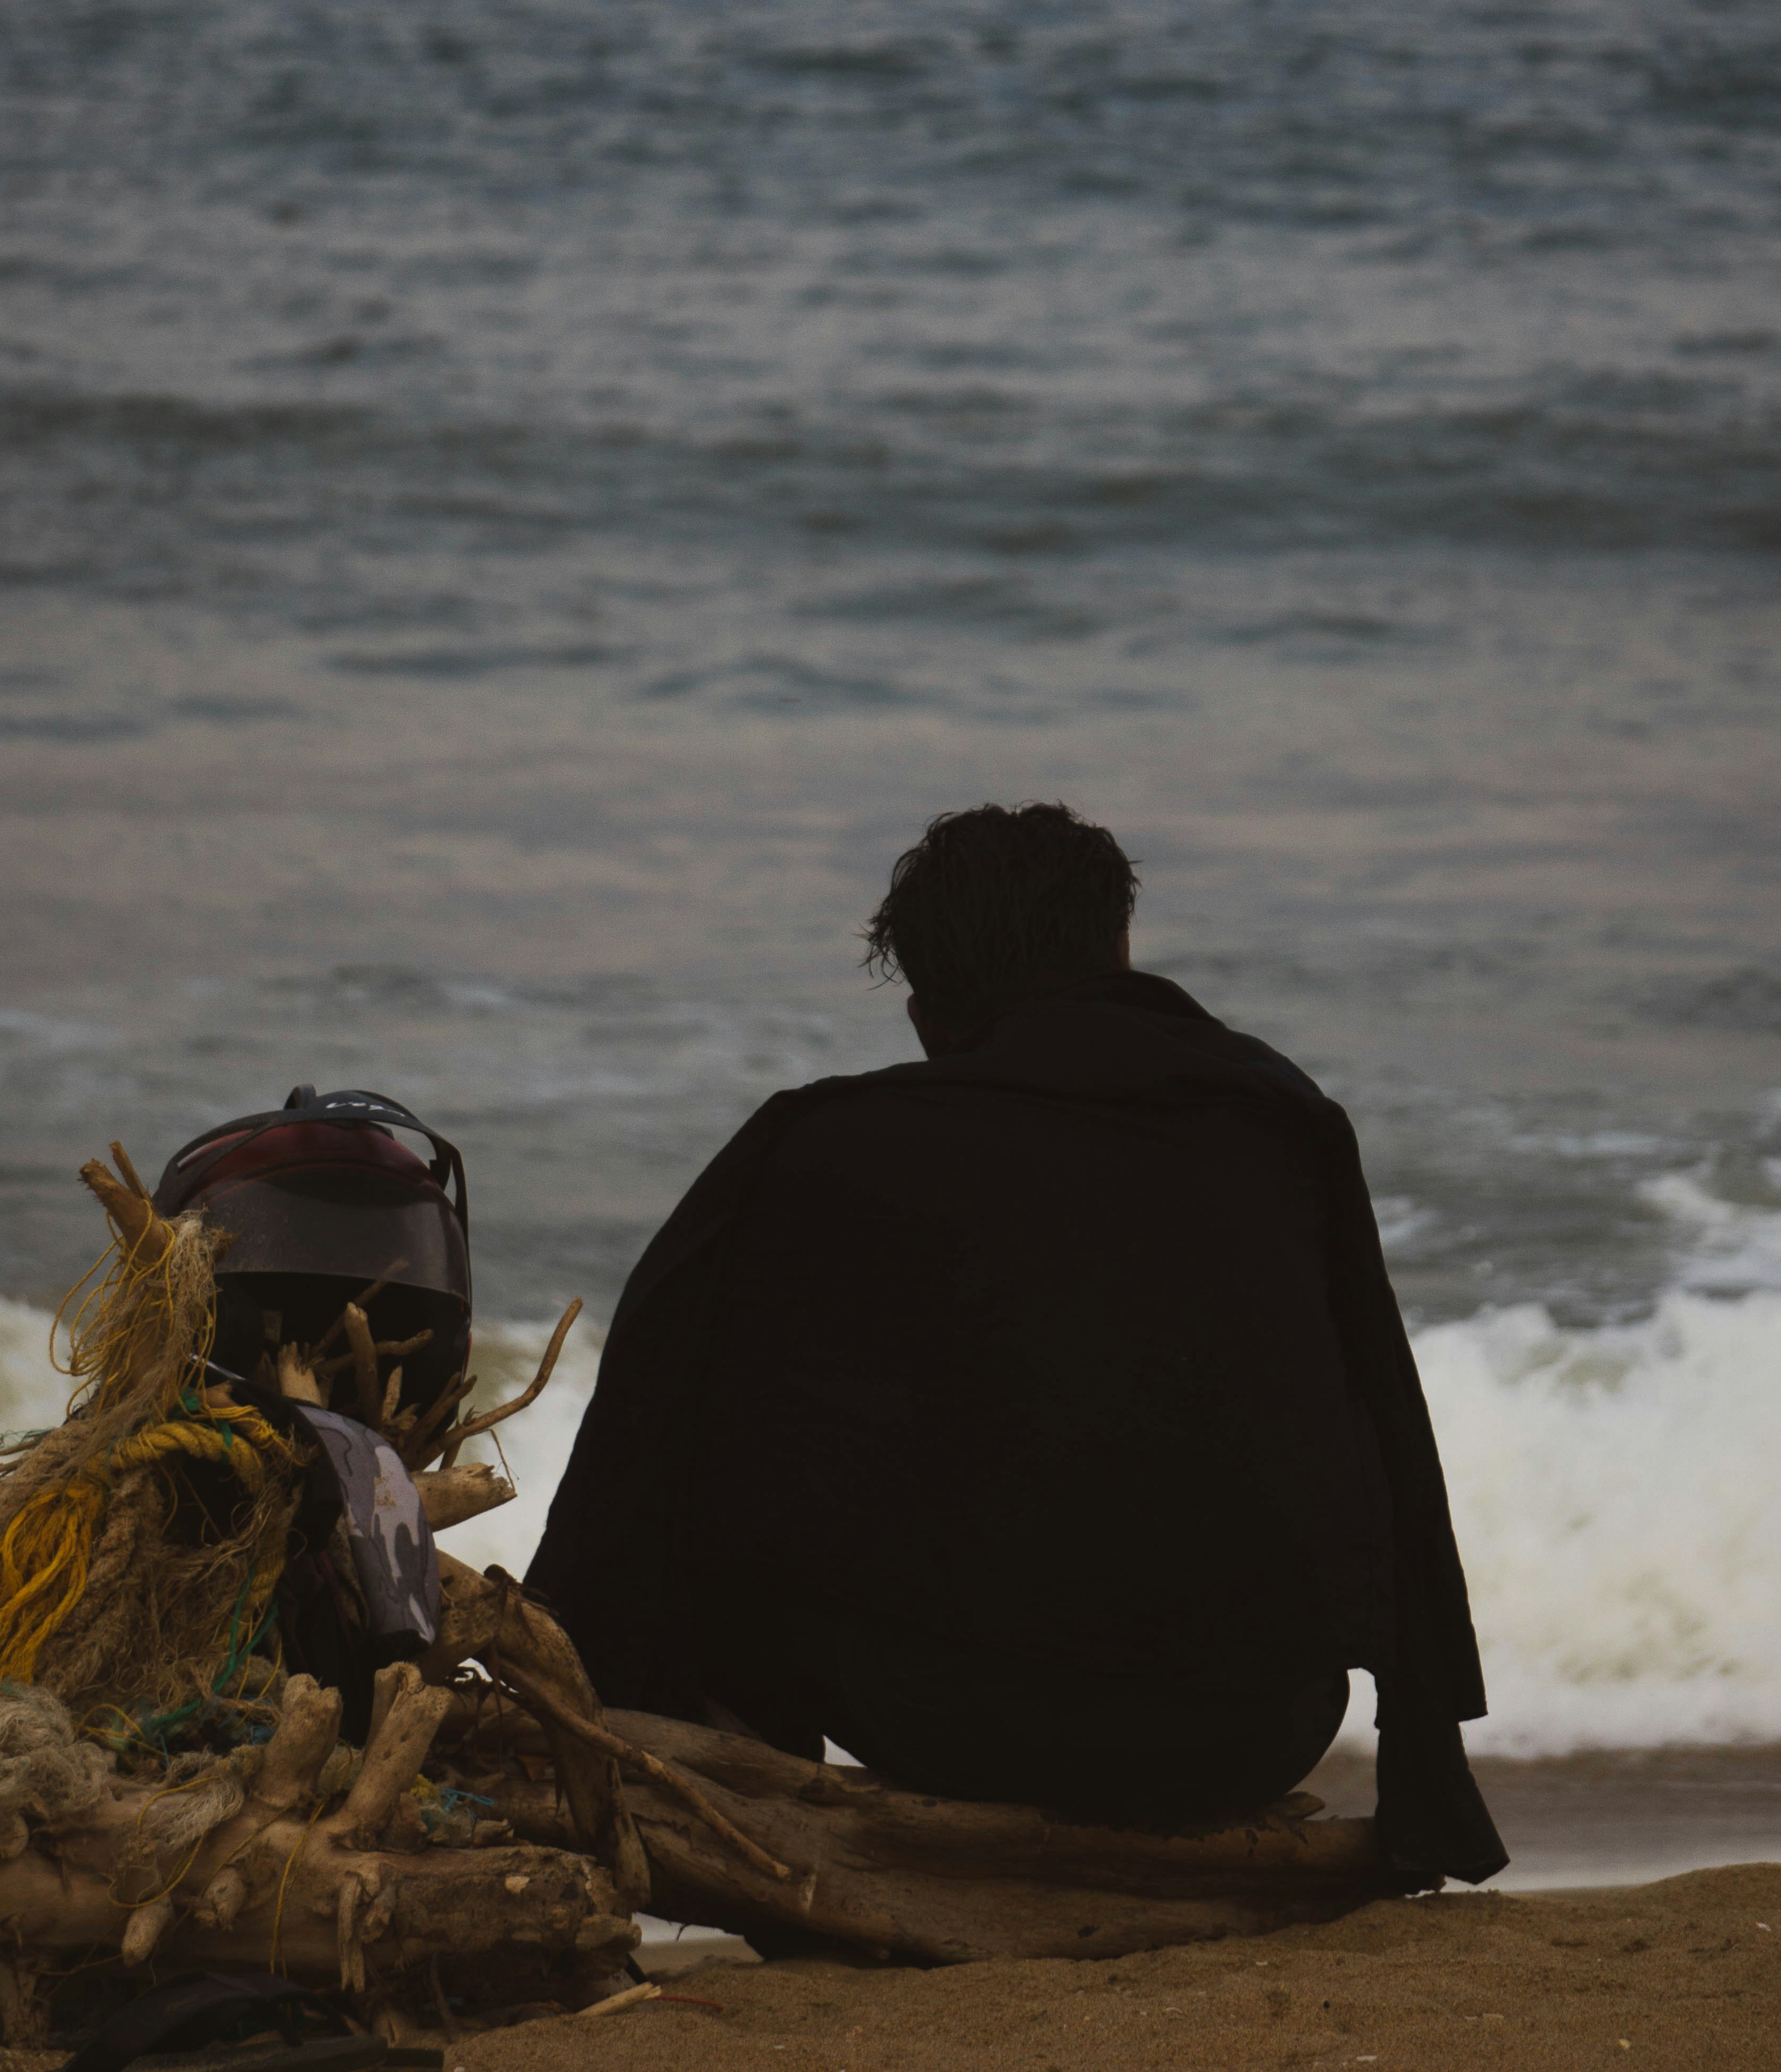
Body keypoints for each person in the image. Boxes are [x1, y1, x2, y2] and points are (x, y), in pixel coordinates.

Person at [527, 803, 1506, 1881]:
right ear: (1118, 950)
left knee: (711, 1385)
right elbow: (1389, 1429)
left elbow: (645, 1451)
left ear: (924, 1011)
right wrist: (1427, 1761)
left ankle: (751, 1836)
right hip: (1261, 1722)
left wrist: (562, 1680)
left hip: (967, 1732)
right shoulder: (1277, 1117)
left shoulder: (820, 1148)